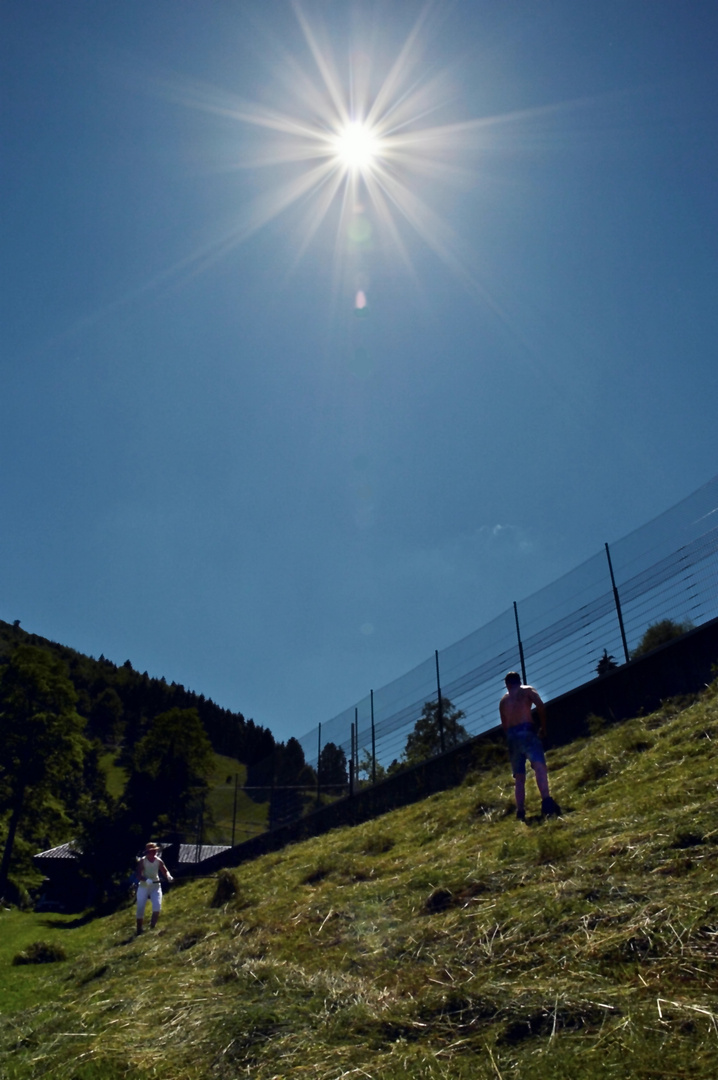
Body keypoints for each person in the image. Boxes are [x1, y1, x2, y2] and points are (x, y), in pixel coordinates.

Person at [499, 672, 561, 822]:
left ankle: (520, 811)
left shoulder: (503, 701)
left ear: (507, 684)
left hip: (512, 736)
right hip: (527, 731)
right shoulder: (527, 690)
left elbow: (505, 725)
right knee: (539, 766)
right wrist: (543, 727)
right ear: (519, 681)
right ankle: (546, 800)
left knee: (519, 777)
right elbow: (540, 705)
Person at [135, 842, 173, 934]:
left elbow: (165, 870)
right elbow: (138, 875)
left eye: (155, 851)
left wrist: (168, 876)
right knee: (140, 907)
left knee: (157, 906)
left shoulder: (158, 861)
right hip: (144, 886)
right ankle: (139, 929)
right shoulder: (142, 861)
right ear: (147, 852)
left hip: (155, 886)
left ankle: (152, 927)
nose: (154, 852)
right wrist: (146, 880)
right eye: (152, 851)